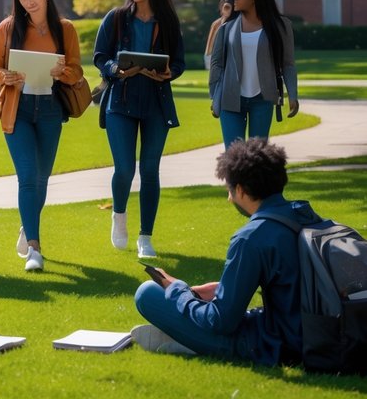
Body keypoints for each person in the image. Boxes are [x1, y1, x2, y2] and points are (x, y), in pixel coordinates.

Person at [131, 138, 327, 365]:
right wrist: (223, 289)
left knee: (147, 293)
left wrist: (178, 290)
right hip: (313, 332)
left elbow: (221, 321)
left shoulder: (252, 236)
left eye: (230, 190)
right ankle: (183, 339)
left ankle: (187, 342)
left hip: (278, 345)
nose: (229, 198)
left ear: (241, 190)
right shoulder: (306, 215)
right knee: (206, 304)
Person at [0, 0, 84, 273]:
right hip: (18, 109)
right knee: (28, 177)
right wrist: (6, 76)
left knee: (42, 180)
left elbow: (77, 71)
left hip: (50, 109)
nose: (28, 2)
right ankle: (35, 247)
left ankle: (27, 224)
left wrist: (63, 73)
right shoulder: (8, 27)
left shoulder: (64, 29)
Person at [93, 0, 186, 260]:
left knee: (149, 170)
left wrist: (169, 73)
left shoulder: (169, 22)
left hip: (156, 103)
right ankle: (118, 216)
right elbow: (99, 57)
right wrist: (115, 68)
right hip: (120, 101)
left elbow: (179, 62)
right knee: (124, 169)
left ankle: (146, 236)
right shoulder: (117, 19)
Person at [210, 0, 299, 149]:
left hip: (263, 100)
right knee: (233, 158)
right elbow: (217, 63)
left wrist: (293, 95)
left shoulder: (281, 26)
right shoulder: (226, 27)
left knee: (257, 159)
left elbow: (287, 64)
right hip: (230, 100)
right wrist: (215, 96)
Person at [204, 0, 234, 70]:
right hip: (216, 56)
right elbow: (210, 44)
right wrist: (208, 57)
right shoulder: (217, 24)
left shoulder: (236, 22)